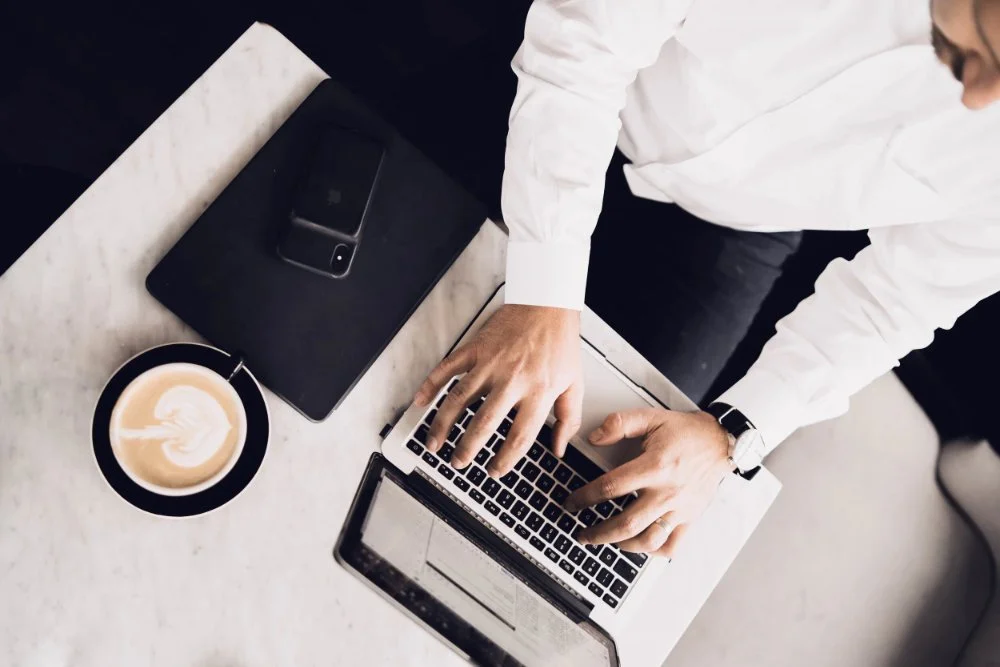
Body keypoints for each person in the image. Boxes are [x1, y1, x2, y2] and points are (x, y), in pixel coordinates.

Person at [413, 0, 1000, 559]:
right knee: (388, 332)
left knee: (589, 498)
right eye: (992, 53)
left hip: (733, 233)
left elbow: (894, 304)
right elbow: (584, 46)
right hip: (581, 94)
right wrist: (545, 292)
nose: (979, 98)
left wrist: (731, 436)